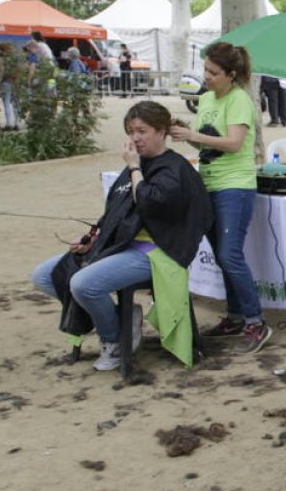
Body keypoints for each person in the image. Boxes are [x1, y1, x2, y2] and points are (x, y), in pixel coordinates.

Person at [30, 101, 212, 371]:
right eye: (131, 132)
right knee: (45, 275)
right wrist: (94, 239)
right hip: (120, 245)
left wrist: (135, 169)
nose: (135, 138)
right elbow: (114, 212)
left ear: (162, 131)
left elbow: (148, 202)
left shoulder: (174, 168)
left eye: (142, 131)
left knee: (83, 284)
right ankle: (120, 319)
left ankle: (113, 340)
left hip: (158, 252)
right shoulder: (134, 166)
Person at [169, 41, 271, 355]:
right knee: (221, 254)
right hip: (209, 184)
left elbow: (235, 143)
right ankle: (236, 316)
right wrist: (186, 134)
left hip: (235, 186)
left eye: (213, 72)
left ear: (232, 74)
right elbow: (206, 145)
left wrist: (193, 135)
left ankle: (256, 322)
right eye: (205, 70)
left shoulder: (239, 99)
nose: (207, 76)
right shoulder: (206, 99)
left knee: (229, 255)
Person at [0, 42, 21, 131]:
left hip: (6, 82)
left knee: (6, 102)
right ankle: (17, 123)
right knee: (16, 103)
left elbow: (2, 72)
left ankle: (9, 123)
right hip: (16, 81)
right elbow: (20, 69)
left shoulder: (2, 59)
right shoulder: (15, 58)